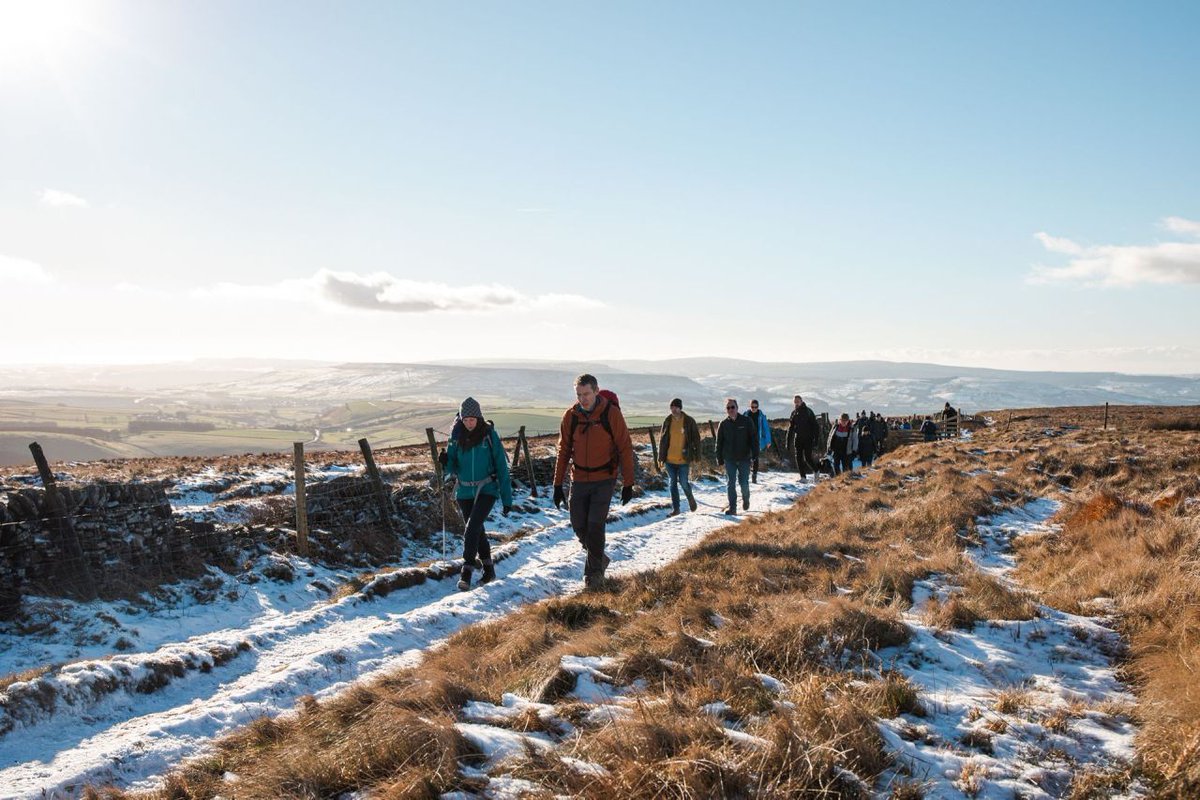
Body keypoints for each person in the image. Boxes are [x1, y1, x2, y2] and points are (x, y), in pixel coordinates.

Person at [553, 374, 636, 590]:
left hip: (604, 479)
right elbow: (563, 452)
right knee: (578, 524)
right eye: (579, 395)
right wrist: (557, 485)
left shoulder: (611, 414)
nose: (583, 399)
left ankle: (594, 575)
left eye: (587, 394)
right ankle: (599, 558)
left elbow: (625, 447)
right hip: (579, 478)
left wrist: (628, 483)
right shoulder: (570, 417)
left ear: (596, 391)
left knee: (595, 525)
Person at [438, 397, 513, 591]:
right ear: (461, 419)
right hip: (464, 490)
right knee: (477, 531)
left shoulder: (489, 435)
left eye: (473, 419)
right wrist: (445, 462)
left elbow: (501, 467)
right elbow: (452, 467)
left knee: (472, 527)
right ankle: (489, 570)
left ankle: (467, 572)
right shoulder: (456, 436)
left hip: (487, 489)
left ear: (479, 418)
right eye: (466, 419)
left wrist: (507, 498)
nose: (469, 423)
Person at [659, 398, 701, 515]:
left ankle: (690, 498)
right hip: (669, 460)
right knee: (672, 484)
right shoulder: (667, 421)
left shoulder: (689, 421)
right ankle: (676, 509)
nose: (673, 409)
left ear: (680, 408)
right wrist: (661, 458)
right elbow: (662, 440)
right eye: (672, 407)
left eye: (676, 407)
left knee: (683, 483)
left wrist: (697, 456)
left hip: (683, 459)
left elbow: (696, 440)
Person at [716, 398, 758, 514]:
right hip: (729, 459)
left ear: (737, 408)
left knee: (744, 483)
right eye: (728, 408)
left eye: (732, 407)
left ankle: (746, 498)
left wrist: (755, 454)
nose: (730, 409)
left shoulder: (746, 421)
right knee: (731, 483)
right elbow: (719, 443)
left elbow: (754, 439)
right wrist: (719, 458)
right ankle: (733, 508)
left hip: (744, 458)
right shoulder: (723, 424)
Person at [786, 394, 819, 481]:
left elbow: (815, 426)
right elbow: (791, 428)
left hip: (808, 438)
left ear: (801, 401)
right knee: (798, 458)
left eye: (798, 401)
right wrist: (788, 442)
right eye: (795, 402)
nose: (796, 403)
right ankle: (803, 477)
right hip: (798, 439)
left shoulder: (808, 411)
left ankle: (816, 470)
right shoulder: (794, 413)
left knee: (808, 458)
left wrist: (816, 439)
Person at [744, 399, 771, 483]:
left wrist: (768, 441)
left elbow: (766, 428)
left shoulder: (761, 416)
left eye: (755, 407)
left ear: (758, 407)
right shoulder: (746, 414)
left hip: (757, 440)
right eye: (752, 407)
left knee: (755, 457)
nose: (754, 408)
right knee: (746, 457)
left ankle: (754, 475)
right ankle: (747, 472)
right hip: (747, 439)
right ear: (750, 406)